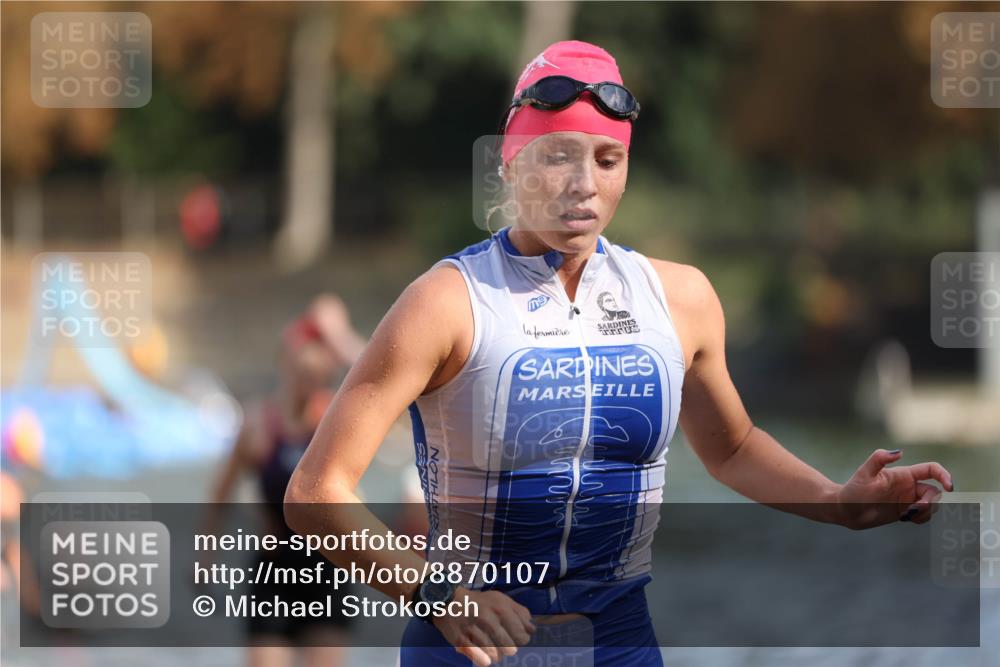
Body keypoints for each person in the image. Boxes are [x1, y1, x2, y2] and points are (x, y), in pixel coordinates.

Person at [284, 41, 955, 667]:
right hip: (471, 648)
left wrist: (838, 502)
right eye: (558, 156)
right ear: (510, 164)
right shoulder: (446, 303)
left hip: (619, 643)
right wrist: (439, 597)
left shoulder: (681, 298)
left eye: (607, 160)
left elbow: (732, 448)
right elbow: (315, 493)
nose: (584, 183)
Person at [207, 294, 365, 667]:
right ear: (285, 365)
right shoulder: (258, 424)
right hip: (274, 569)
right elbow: (220, 495)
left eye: (317, 375)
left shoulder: (335, 419)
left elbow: (382, 380)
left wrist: (340, 336)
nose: (309, 381)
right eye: (302, 372)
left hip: (326, 568)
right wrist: (206, 556)